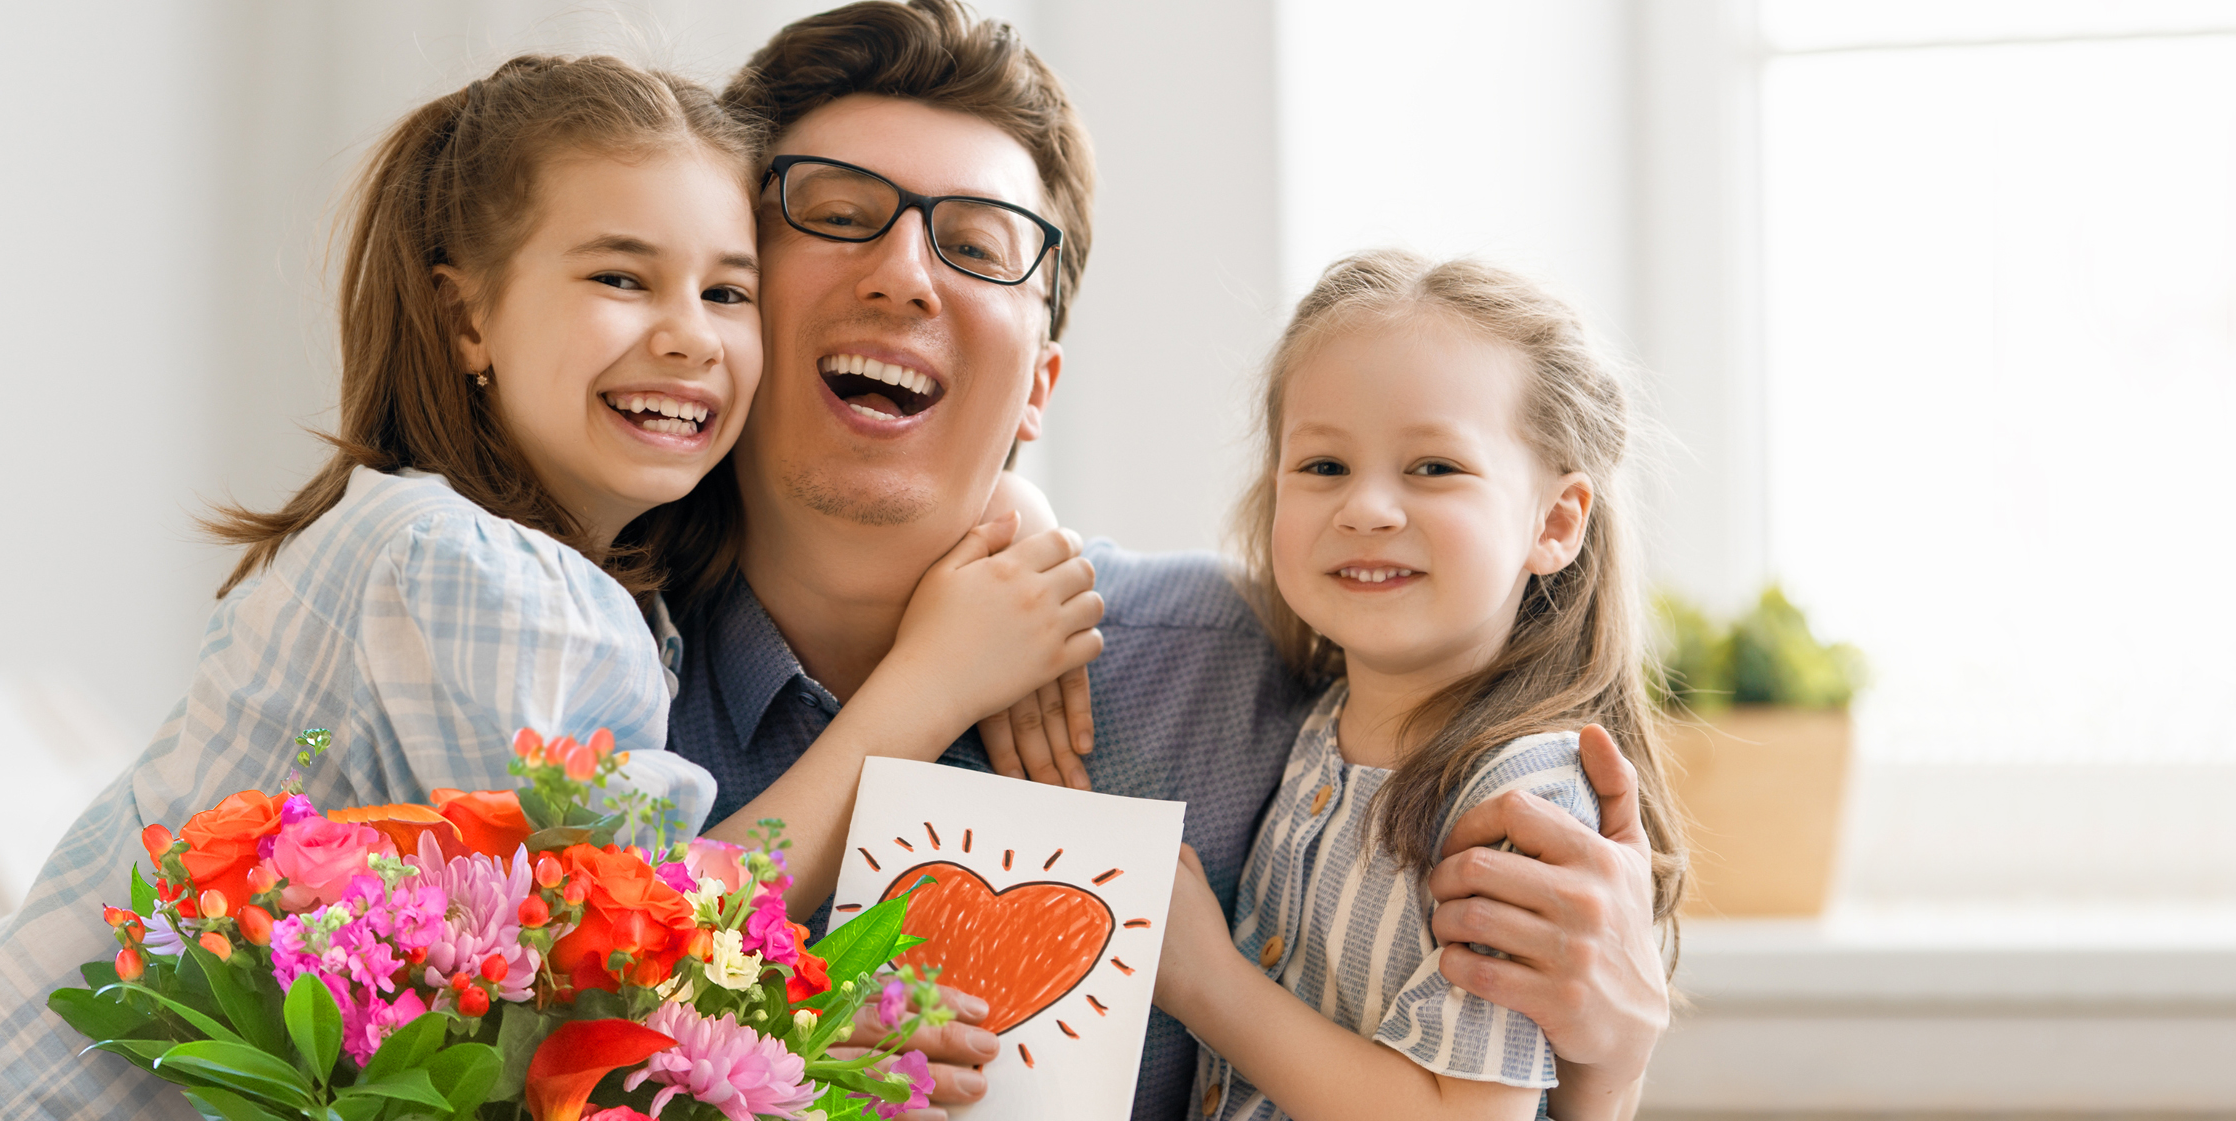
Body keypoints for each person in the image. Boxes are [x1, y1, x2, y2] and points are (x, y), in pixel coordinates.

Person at [0, 54, 1105, 1121]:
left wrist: (1003, 498)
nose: (684, 333)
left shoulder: (580, 575)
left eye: (726, 291)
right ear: (468, 315)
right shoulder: (467, 574)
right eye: (618, 277)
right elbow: (623, 947)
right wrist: (925, 689)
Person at [663, 4, 1676, 1119]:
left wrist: (1605, 1063)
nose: (903, 275)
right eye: (838, 214)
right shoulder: (591, 666)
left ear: (1039, 385)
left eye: (976, 244)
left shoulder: (1238, 669)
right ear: (730, 303)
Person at [1147, 249, 1686, 1120]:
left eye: (1433, 467)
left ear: (1553, 523)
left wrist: (1205, 979)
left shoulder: (1522, 799)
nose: (1365, 507)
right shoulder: (1317, 719)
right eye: (1322, 466)